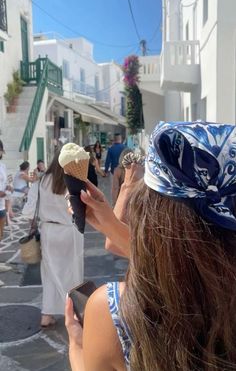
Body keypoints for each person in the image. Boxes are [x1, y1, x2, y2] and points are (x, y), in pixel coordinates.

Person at [65, 121, 236, 371]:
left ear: (148, 213)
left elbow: (175, 262)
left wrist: (77, 348)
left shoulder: (111, 313)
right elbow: (194, 260)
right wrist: (110, 222)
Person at [23, 151, 84, 327]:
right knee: (73, 273)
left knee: (49, 274)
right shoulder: (74, 182)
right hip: (71, 232)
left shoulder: (40, 182)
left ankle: (47, 315)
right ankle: (73, 312)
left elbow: (28, 211)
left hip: (49, 231)